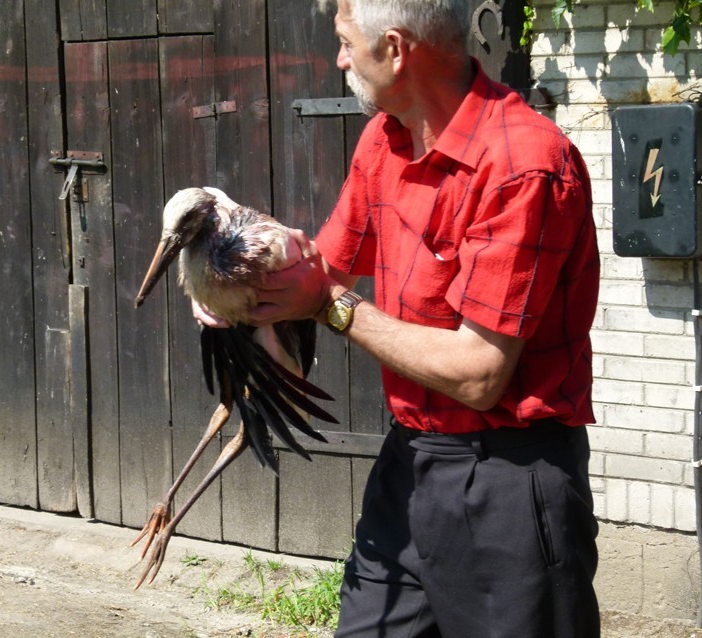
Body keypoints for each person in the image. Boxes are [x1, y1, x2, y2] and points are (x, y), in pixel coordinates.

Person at [198, 0, 600, 635]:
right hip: (411, 464)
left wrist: (330, 308)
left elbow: (479, 374)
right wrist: (233, 287)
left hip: (509, 484)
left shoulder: (523, 164)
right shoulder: (385, 138)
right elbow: (324, 267)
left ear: (394, 49)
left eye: (344, 42)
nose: (338, 59)